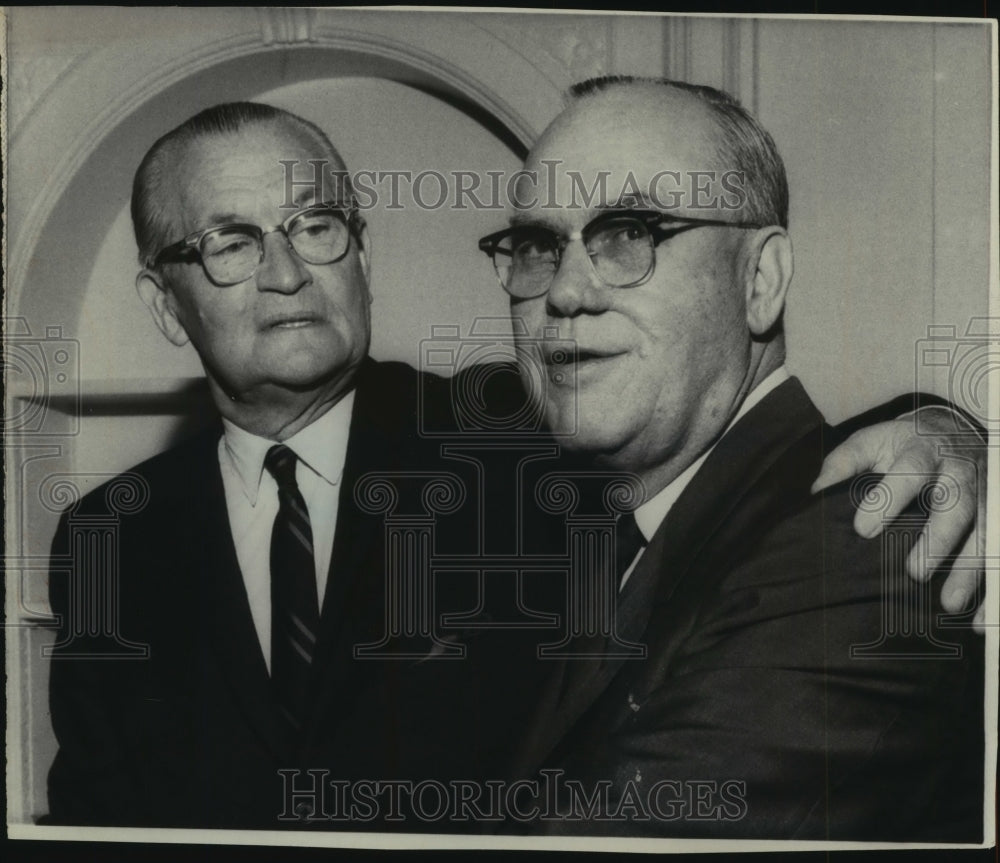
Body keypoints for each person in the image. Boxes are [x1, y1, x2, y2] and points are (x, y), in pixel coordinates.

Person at [45, 100, 984, 831]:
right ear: (164, 306)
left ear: (361, 253)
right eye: (232, 243)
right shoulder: (108, 538)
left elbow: (741, 460)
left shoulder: (516, 432)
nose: (287, 271)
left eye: (316, 224)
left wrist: (942, 429)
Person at [477, 77, 985, 839]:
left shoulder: (863, 543)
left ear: (761, 279)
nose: (567, 291)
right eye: (538, 245)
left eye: (629, 233)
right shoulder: (608, 532)